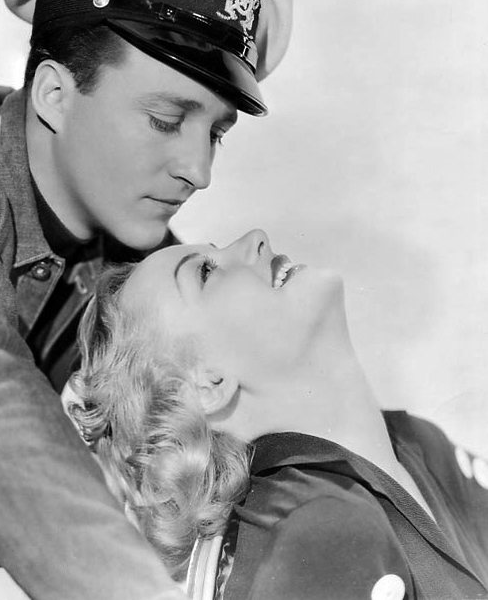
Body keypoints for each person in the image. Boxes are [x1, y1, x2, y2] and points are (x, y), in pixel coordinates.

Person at [0, 0, 292, 599]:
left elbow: (251, 400)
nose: (199, 171)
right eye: (166, 120)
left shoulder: (138, 257)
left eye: (215, 133)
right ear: (55, 95)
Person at [67, 229, 488, 600]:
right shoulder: (318, 531)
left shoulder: (422, 444)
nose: (256, 237)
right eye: (205, 272)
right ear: (209, 384)